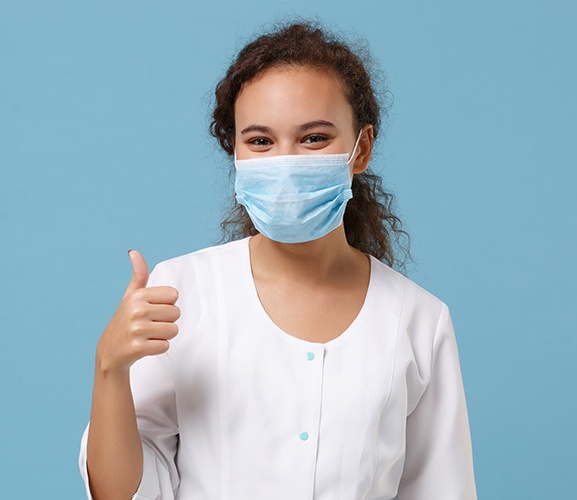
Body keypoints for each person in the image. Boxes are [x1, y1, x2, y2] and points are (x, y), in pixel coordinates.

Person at [79, 21, 477, 500]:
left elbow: (441, 489)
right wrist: (110, 368)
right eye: (260, 141)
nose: (284, 162)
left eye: (313, 138)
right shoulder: (182, 292)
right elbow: (123, 492)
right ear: (236, 153)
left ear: (361, 148)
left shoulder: (419, 321)